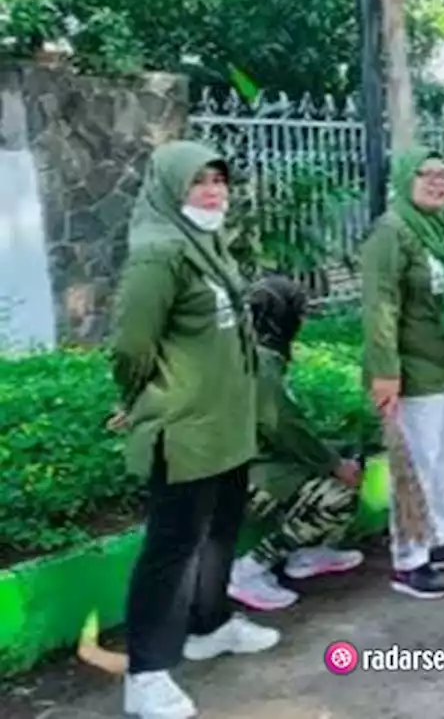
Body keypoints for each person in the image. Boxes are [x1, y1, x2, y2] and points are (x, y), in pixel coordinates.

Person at [111, 141, 277, 719]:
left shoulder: (205, 244)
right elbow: (133, 345)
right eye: (197, 182)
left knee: (220, 531)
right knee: (172, 548)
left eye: (218, 181)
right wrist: (138, 397)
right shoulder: (158, 255)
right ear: (169, 190)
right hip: (184, 429)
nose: (212, 192)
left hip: (225, 422)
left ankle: (210, 624)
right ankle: (147, 673)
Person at [362, 147, 444, 601]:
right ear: (404, 179)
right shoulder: (392, 232)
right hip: (411, 371)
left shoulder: (441, 229)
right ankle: (409, 559)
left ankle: (435, 537)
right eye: (426, 174)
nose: (438, 182)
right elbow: (380, 306)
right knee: (416, 464)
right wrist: (384, 371)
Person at [227, 276, 365, 612]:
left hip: (250, 463)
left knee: (349, 451)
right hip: (243, 477)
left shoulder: (242, 348)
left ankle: (308, 554)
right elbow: (283, 426)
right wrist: (333, 463)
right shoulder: (259, 361)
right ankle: (248, 570)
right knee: (339, 495)